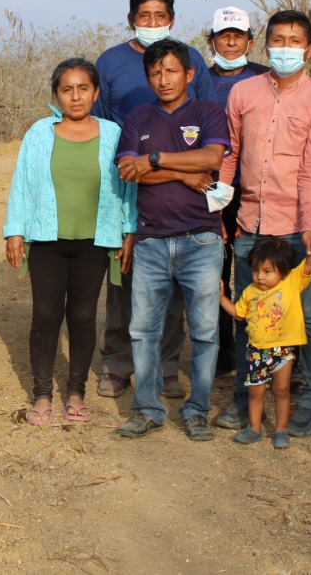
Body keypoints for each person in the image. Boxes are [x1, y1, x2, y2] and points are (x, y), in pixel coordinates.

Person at [214, 10, 311, 439]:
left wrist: (309, 227)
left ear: (310, 50)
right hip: (250, 223)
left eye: (294, 41)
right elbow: (230, 154)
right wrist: (218, 209)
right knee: (248, 313)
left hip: (295, 229)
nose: (286, 48)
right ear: (266, 46)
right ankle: (244, 395)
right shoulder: (244, 92)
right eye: (279, 40)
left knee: (310, 314)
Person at [92, 0, 216, 401]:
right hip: (125, 180)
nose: (151, 22)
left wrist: (172, 169)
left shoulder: (190, 58)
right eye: (143, 16)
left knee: (174, 286)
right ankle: (117, 364)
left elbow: (209, 130)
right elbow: (101, 127)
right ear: (131, 19)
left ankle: (167, 368)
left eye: (160, 16)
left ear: (172, 19)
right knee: (123, 278)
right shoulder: (110, 61)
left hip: (182, 190)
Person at [3, 59, 136, 424]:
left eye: (83, 88)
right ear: (56, 95)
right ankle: (42, 394)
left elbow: (129, 188)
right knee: (46, 316)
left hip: (95, 241)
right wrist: (14, 230)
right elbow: (21, 183)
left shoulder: (113, 134)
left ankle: (76, 392)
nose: (75, 96)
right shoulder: (39, 133)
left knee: (82, 316)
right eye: (67, 89)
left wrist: (129, 231)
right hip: (47, 240)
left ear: (96, 92)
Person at [113, 39, 229, 441]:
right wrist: (181, 172)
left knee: (205, 332)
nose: (164, 79)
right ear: (148, 78)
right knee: (143, 330)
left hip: (202, 240)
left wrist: (156, 159)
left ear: (189, 74)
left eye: (171, 71)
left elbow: (211, 159)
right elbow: (128, 170)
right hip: (151, 240)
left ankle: (197, 410)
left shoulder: (208, 112)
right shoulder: (138, 117)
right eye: (156, 72)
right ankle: (147, 409)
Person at [205, 6, 270, 376]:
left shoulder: (265, 77)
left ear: (250, 40)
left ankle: (264, 353)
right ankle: (222, 356)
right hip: (209, 190)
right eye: (223, 35)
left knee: (257, 274)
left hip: (254, 194)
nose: (230, 42)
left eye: (238, 35)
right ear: (211, 40)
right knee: (214, 273)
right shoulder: (198, 80)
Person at [219, 237, 311, 447]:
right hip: (257, 351)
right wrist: (222, 298)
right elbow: (239, 314)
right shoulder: (250, 291)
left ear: (283, 272)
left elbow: (308, 264)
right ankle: (254, 428)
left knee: (282, 390)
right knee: (255, 391)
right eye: (256, 270)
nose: (260, 276)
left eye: (267, 271)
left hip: (282, 351)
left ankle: (281, 430)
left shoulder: (292, 282)